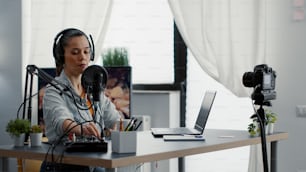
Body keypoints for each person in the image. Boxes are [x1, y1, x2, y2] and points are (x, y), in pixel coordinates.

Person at [40, 28, 120, 172]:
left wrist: (118, 127)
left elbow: (114, 119)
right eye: (75, 52)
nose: (83, 57)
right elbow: (61, 120)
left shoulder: (94, 88)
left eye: (86, 51)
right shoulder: (53, 90)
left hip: (92, 164)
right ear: (61, 57)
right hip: (62, 165)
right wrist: (81, 129)